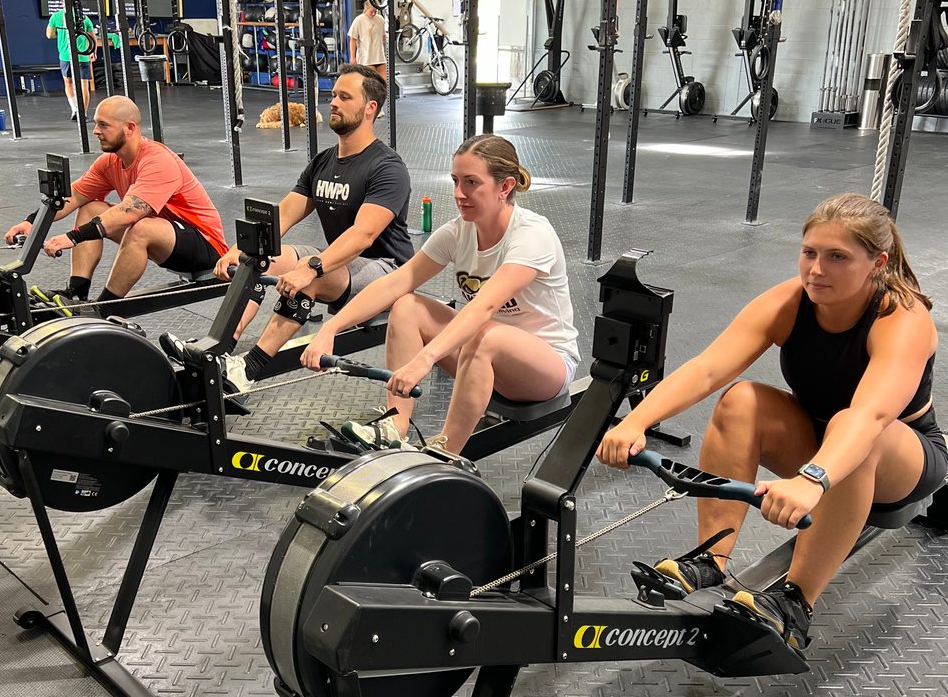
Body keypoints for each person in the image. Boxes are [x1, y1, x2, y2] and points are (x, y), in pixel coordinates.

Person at [597, 193, 945, 652]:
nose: (816, 270)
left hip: (899, 457)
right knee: (740, 399)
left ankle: (796, 602)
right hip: (822, 438)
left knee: (856, 430)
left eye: (837, 257)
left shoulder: (901, 318)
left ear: (877, 263)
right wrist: (635, 421)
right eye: (810, 253)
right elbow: (707, 368)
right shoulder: (790, 302)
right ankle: (711, 559)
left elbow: (870, 415)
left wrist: (814, 478)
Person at [301, 134, 579, 455]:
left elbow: (486, 306)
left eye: (472, 182)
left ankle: (445, 453)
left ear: (505, 188)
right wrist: (329, 330)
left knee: (485, 334)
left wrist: (425, 359)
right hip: (483, 352)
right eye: (456, 181)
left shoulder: (532, 235)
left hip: (546, 366)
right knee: (406, 306)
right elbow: (395, 282)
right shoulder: (458, 232)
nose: (459, 194)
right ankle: (395, 427)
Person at [195, 63, 415, 394]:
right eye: (333, 95)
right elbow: (283, 213)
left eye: (344, 96)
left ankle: (248, 371)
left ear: (371, 109)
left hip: (388, 271)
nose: (333, 103)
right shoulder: (323, 162)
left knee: (310, 275)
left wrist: (312, 267)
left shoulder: (387, 167)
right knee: (263, 257)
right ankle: (218, 351)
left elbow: (363, 235)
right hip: (342, 263)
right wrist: (241, 250)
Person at [4, 95, 228, 311]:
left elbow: (128, 212)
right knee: (91, 207)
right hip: (165, 237)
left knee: (141, 227)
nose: (96, 131)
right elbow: (73, 196)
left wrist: (72, 237)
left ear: (129, 128)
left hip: (205, 246)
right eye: (96, 124)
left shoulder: (157, 160)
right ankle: (76, 292)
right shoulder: (110, 162)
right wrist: (32, 222)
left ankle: (105, 307)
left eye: (104, 125)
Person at [47, 8, 96, 119]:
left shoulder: (56, 16)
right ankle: (83, 113)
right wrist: (93, 52)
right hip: (83, 56)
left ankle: (75, 110)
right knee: (84, 85)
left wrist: (60, 33)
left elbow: (49, 35)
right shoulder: (84, 17)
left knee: (68, 83)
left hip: (66, 56)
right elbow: (93, 37)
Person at [348, 0, 387, 82]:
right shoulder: (358, 20)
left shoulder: (380, 20)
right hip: (366, 58)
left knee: (383, 81)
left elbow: (384, 37)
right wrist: (352, 57)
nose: (373, 14)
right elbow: (352, 39)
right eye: (371, 11)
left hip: (380, 57)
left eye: (375, 12)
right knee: (371, 82)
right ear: (366, 8)